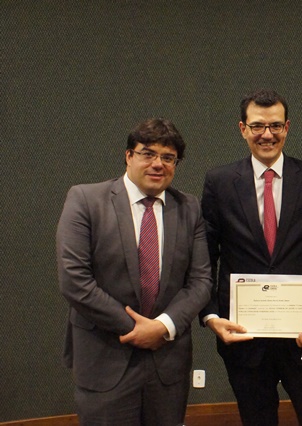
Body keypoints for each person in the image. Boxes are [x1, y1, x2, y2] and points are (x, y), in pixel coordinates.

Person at [199, 89, 302, 426]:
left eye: (276, 125)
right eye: (258, 126)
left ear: (287, 127)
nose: (267, 134)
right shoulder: (219, 182)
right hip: (243, 335)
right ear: (242, 129)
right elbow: (206, 255)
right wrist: (210, 315)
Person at [56, 118, 213, 425]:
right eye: (148, 153)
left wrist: (162, 327)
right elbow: (74, 280)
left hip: (167, 364)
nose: (158, 164)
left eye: (168, 158)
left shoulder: (189, 208)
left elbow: (200, 281)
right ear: (129, 155)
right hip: (105, 360)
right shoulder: (86, 200)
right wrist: (137, 329)